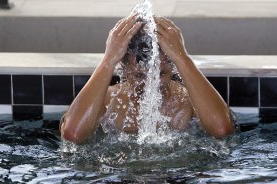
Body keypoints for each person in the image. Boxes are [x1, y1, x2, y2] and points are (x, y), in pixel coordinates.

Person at [60, 14, 235, 144]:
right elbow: (73, 135)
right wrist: (108, 60)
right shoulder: (108, 101)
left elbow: (222, 130)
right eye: (139, 75)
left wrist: (182, 57)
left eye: (161, 74)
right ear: (124, 67)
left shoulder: (188, 101)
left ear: (173, 66)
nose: (152, 83)